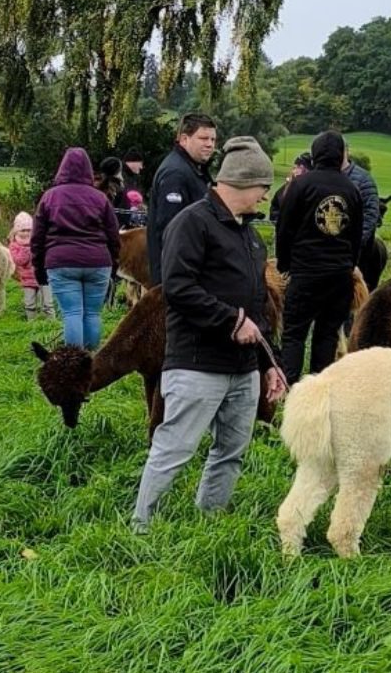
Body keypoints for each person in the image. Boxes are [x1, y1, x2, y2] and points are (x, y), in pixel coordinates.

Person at [132, 136, 286, 533]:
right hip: (197, 365)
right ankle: (142, 528)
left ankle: (209, 522)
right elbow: (179, 289)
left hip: (242, 369)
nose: (264, 198)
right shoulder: (192, 224)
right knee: (174, 449)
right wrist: (230, 322)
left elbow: (256, 306)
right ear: (243, 182)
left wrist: (269, 364)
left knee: (231, 452)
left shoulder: (251, 237)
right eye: (263, 189)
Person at [274, 131, 365, 381]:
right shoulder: (352, 189)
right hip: (339, 277)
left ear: (315, 154)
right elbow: (356, 235)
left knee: (294, 334)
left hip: (305, 272)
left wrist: (284, 264)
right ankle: (320, 387)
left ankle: (289, 388)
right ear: (340, 155)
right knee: (327, 334)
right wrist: (350, 265)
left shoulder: (301, 185)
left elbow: (285, 227)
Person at [34, 147, 123, 349]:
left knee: (72, 313)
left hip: (61, 262)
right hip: (98, 262)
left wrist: (39, 268)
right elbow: (113, 236)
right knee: (93, 313)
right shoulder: (100, 198)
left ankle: (74, 362)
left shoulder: (50, 197)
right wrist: (114, 265)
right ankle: (91, 361)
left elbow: (37, 238)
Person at [146, 113, 218, 282]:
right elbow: (170, 227)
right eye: (203, 138)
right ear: (184, 139)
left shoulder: (195, 170)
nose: (210, 144)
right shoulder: (175, 174)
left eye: (213, 140)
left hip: (191, 269)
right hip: (179, 273)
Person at [7, 212, 55, 321]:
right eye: (23, 230)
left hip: (44, 277)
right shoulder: (14, 245)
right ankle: (32, 324)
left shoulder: (39, 241)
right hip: (27, 279)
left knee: (48, 303)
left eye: (29, 230)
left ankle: (51, 323)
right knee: (30, 304)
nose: (26, 233)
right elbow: (19, 261)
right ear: (16, 231)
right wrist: (27, 249)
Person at [343, 145, 383, 251]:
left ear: (346, 152)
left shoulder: (363, 180)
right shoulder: (318, 178)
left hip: (357, 250)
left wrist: (353, 245)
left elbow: (370, 214)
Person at [268, 152, 312, 226]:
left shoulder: (313, 189)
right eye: (296, 167)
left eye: (300, 168)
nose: (296, 171)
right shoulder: (285, 188)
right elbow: (276, 212)